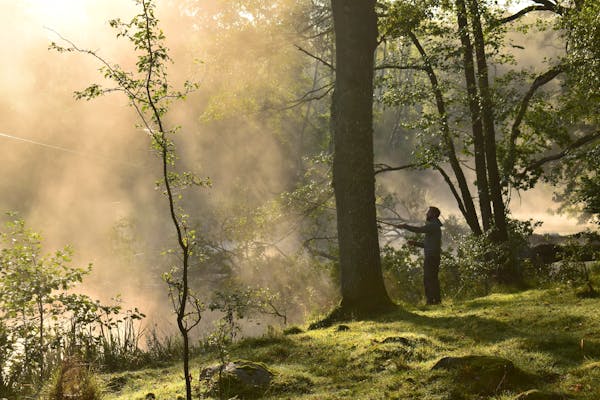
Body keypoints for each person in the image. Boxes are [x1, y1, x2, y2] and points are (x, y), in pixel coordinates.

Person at [397, 206, 443, 305]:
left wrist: (405, 226)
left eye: (429, 212)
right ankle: (436, 300)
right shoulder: (434, 226)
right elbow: (428, 245)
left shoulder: (433, 225)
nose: (427, 214)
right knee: (432, 278)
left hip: (431, 257)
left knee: (428, 278)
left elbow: (419, 230)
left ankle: (431, 301)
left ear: (434, 214)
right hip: (433, 256)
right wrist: (415, 243)